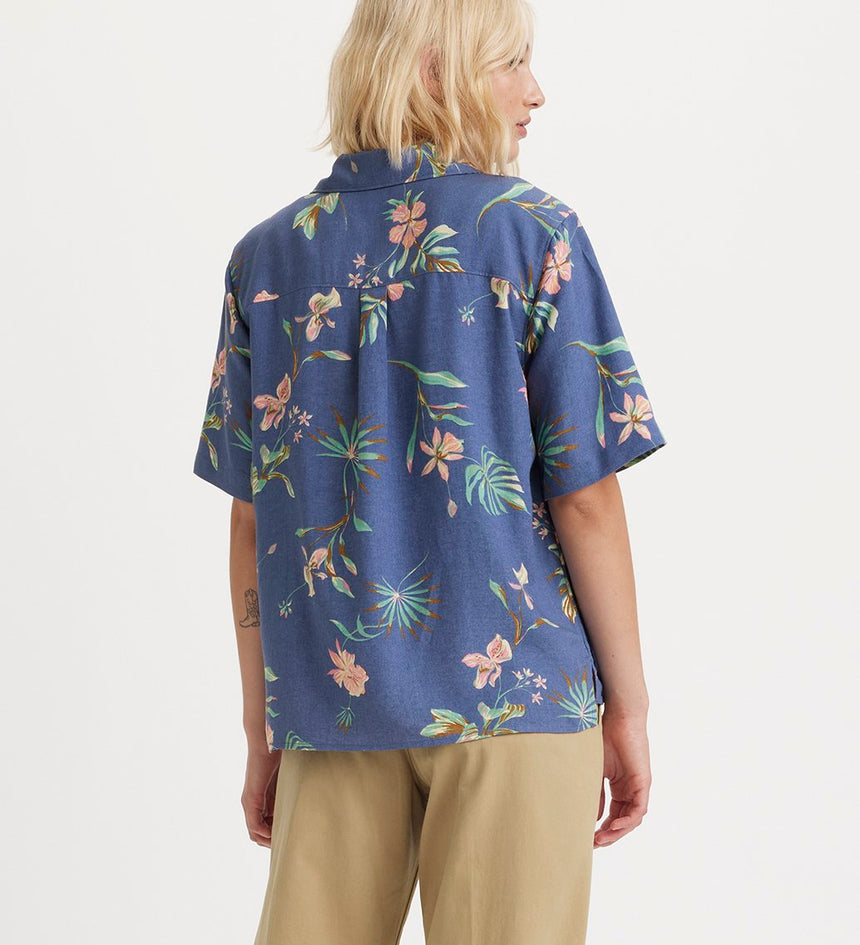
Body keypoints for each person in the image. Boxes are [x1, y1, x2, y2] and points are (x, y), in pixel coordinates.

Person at [192, 1, 667, 942]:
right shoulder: (534, 235)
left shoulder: (268, 258)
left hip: (331, 706)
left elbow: (251, 516)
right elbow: (584, 495)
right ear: (432, 68)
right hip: (518, 701)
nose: (536, 91)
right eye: (511, 62)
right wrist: (631, 706)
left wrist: (263, 727)